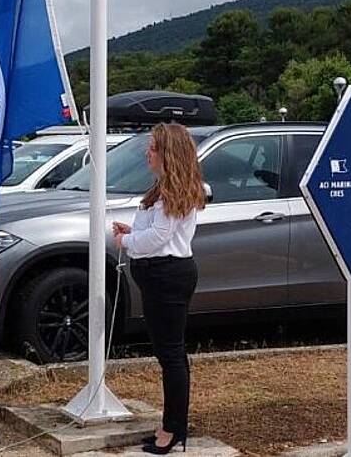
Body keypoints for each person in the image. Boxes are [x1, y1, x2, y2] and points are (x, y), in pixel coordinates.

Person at [112, 123, 206, 454]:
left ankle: (174, 427)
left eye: (152, 147)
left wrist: (127, 241)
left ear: (168, 153)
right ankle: (172, 423)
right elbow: (154, 229)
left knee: (171, 355)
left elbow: (158, 238)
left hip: (168, 275)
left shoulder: (174, 191)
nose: (146, 152)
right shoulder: (163, 189)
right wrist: (133, 233)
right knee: (168, 353)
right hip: (158, 275)